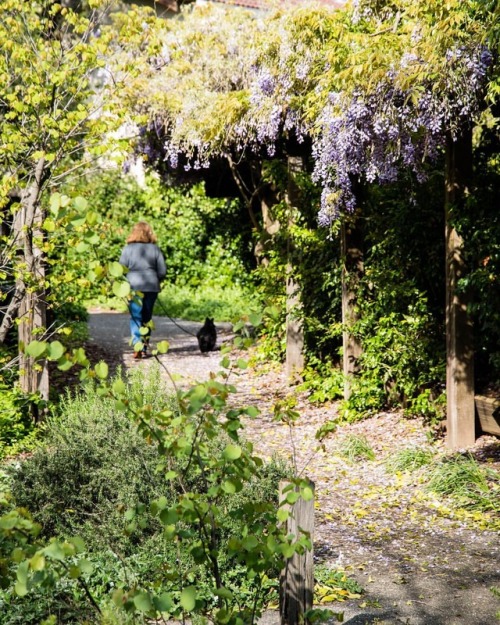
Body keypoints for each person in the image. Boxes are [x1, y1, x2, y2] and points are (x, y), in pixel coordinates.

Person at [119, 221, 166, 358]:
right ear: (149, 233)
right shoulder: (155, 249)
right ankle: (144, 347)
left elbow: (121, 268)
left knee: (135, 317)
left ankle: (136, 345)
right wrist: (156, 279)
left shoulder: (128, 249)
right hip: (151, 286)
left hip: (133, 286)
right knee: (147, 317)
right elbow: (162, 271)